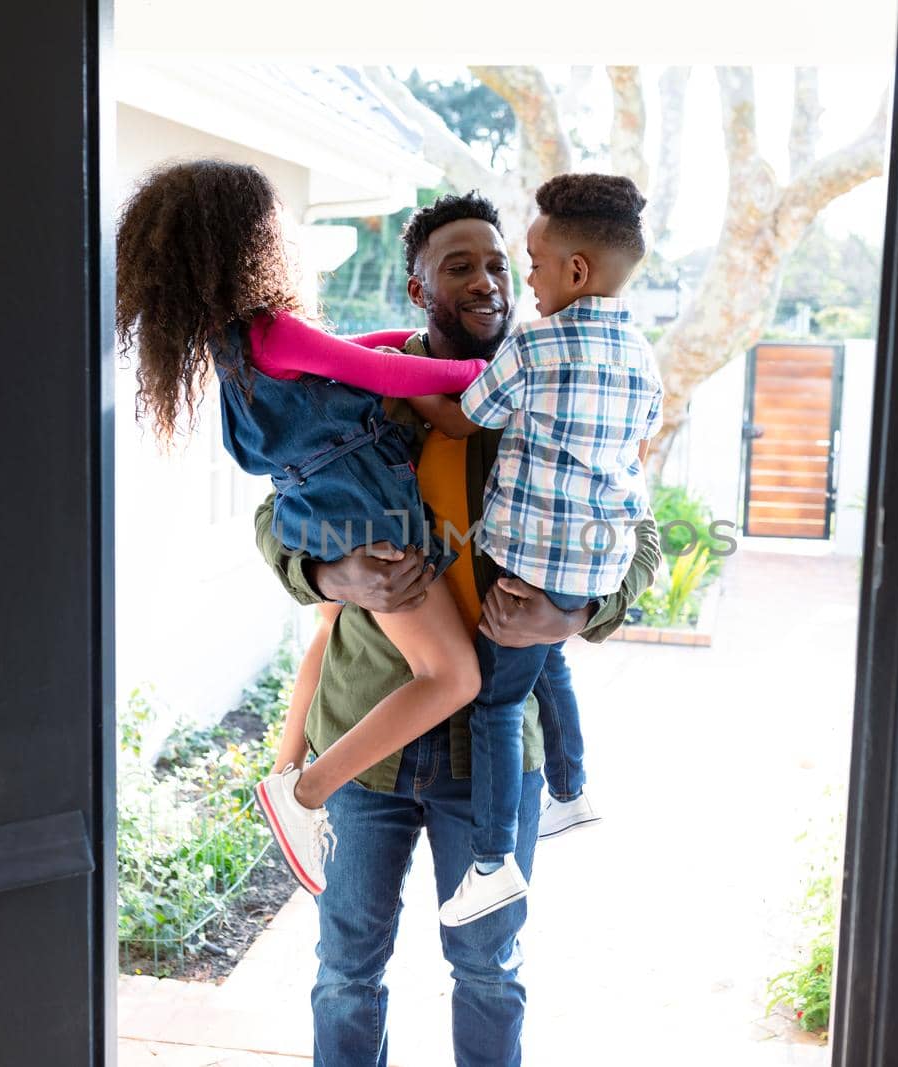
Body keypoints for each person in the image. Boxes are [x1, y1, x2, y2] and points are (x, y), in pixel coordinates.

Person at [254, 190, 659, 1067]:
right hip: (367, 739)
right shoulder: (368, 396)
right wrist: (331, 571)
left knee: (489, 969)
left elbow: (640, 532)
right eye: (460, 265)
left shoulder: (558, 375)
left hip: (496, 753)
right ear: (416, 286)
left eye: (501, 263)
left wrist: (576, 610)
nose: (488, 281)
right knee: (346, 970)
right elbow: (277, 510)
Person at [114, 160, 493, 897]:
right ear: (251, 242)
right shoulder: (273, 331)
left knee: (324, 632)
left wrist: (409, 350)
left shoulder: (236, 344)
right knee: (452, 674)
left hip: (318, 507)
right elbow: (379, 376)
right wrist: (474, 370)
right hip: (367, 509)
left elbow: (357, 357)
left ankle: (283, 771)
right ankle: (305, 793)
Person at [411, 174, 663, 926]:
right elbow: (640, 436)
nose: (520, 278)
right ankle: (573, 784)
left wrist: (403, 383)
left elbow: (465, 419)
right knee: (546, 660)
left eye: (529, 262)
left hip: (532, 564)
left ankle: (491, 862)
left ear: (575, 271)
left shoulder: (533, 344)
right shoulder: (644, 353)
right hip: (593, 560)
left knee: (496, 701)